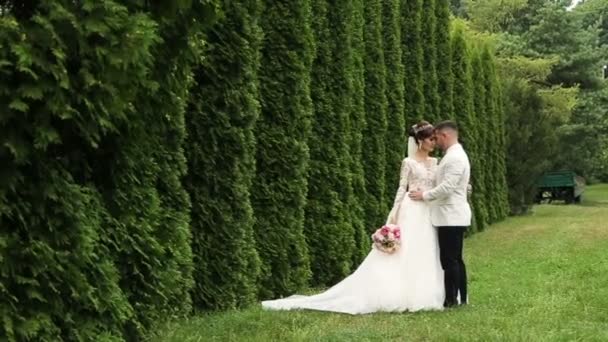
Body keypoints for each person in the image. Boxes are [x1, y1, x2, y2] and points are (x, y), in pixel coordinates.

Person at [261, 121, 444, 314]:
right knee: (405, 250)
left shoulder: (435, 162)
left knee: (426, 247)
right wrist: (394, 212)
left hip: (427, 208)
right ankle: (400, 293)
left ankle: (427, 292)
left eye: (434, 139)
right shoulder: (408, 162)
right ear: (420, 141)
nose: (434, 142)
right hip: (411, 208)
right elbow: (401, 187)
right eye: (430, 139)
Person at [409, 120, 471, 307]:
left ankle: (452, 300)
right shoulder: (453, 155)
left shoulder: (455, 157)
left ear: (446, 135)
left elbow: (448, 187)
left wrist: (424, 195)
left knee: (450, 260)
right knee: (455, 259)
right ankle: (460, 297)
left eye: (437, 138)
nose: (436, 142)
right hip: (450, 215)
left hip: (450, 216)